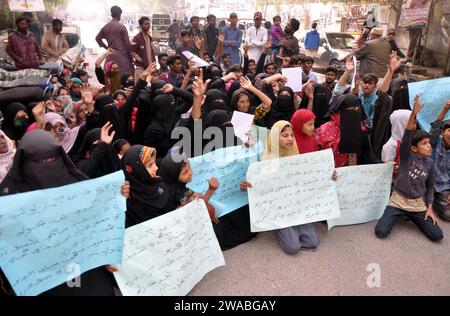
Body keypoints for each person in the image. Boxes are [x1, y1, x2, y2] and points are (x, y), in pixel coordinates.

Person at [0, 130, 124, 296]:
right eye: (40, 162)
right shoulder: (10, 197)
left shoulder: (77, 183)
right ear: (24, 163)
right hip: (46, 279)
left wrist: (106, 255)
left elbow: (98, 222)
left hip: (89, 271)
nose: (48, 167)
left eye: (53, 159)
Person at [375, 97, 443, 242]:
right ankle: (399, 214)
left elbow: (430, 187)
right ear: (413, 148)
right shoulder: (406, 156)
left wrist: (429, 208)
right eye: (424, 144)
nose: (429, 146)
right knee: (381, 231)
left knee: (437, 235)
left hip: (417, 204)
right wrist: (413, 114)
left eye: (429, 143)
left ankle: (412, 217)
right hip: (398, 201)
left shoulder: (430, 163)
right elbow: (407, 135)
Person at [263, 120, 320, 254]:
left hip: (296, 204)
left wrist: (327, 175)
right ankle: (279, 227)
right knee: (292, 248)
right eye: (284, 135)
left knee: (312, 242)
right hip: (279, 208)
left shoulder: (295, 155)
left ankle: (294, 226)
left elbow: (308, 178)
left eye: (292, 135)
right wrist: (250, 186)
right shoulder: (266, 161)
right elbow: (263, 189)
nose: (290, 139)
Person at [316, 94, 380, 167]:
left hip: (353, 174)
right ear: (340, 111)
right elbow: (318, 158)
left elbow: (366, 155)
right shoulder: (325, 131)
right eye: (352, 109)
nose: (356, 112)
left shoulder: (361, 129)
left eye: (358, 109)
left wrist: (383, 164)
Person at [122, 145, 171, 228]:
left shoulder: (158, 182)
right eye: (150, 165)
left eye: (154, 162)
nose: (156, 168)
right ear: (137, 170)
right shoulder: (127, 201)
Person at [95, 6, 134, 74]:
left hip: (110, 57)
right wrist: (131, 58)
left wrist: (107, 48)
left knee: (110, 79)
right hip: (122, 57)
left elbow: (97, 38)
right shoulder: (122, 27)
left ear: (111, 14)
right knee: (124, 80)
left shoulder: (106, 26)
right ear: (119, 15)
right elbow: (128, 45)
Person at [430, 101, 450, 221]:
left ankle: (438, 202)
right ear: (443, 132)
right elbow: (435, 126)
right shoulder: (434, 142)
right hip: (426, 184)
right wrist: (445, 109)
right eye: (449, 131)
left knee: (448, 216)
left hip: (444, 186)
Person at [130, 16, 156, 81]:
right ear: (141, 26)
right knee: (139, 89)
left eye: (149, 24)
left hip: (150, 69)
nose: (148, 26)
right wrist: (141, 60)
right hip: (141, 69)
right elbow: (131, 52)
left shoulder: (149, 38)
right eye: (146, 24)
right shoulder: (137, 38)